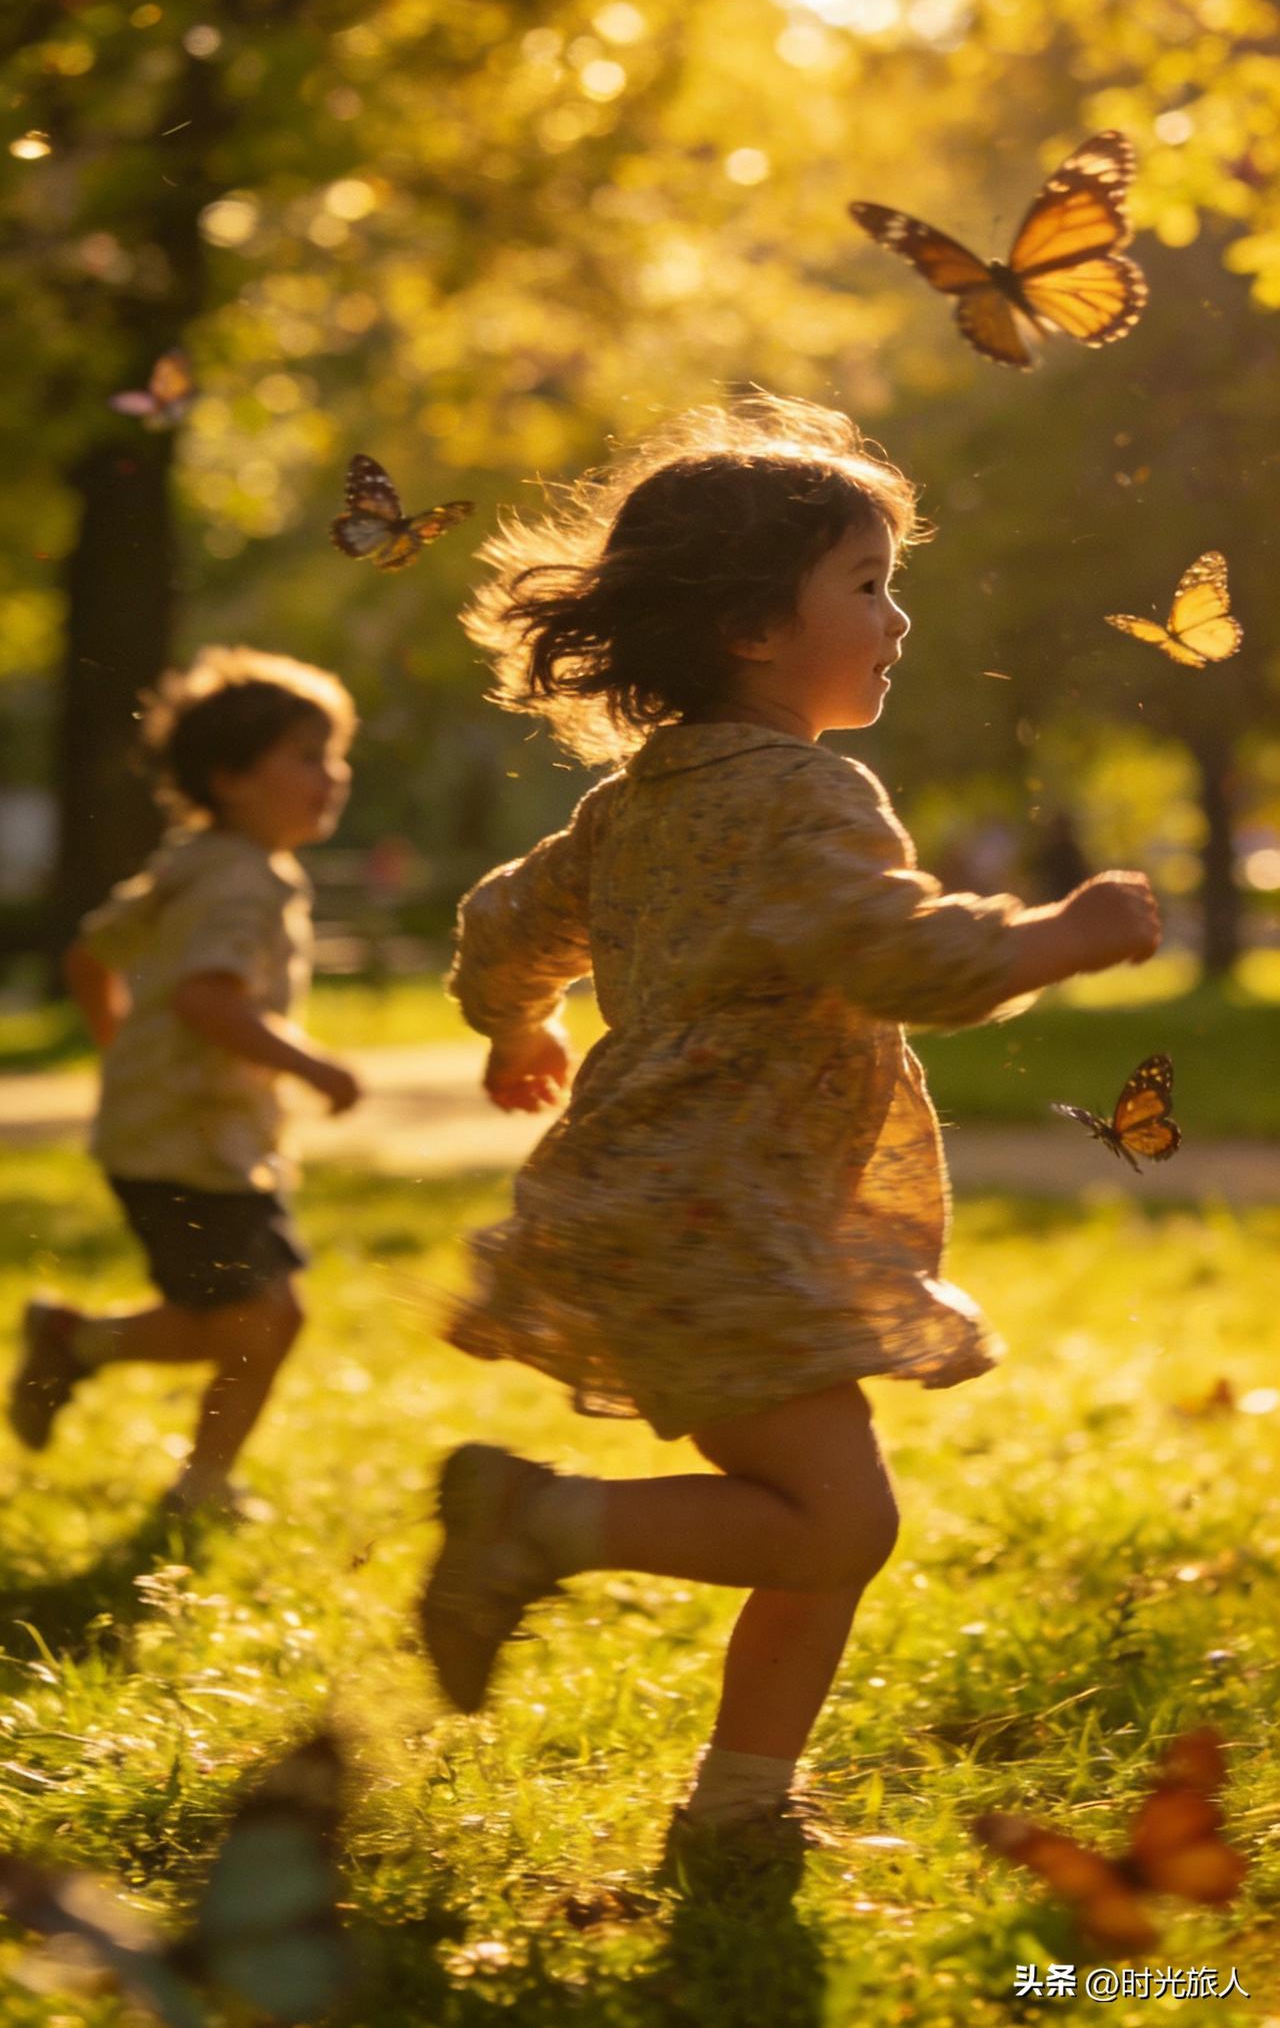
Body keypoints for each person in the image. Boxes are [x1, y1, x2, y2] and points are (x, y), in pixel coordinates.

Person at [417, 394, 1161, 1862]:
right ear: (757, 627)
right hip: (719, 1213)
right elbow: (895, 950)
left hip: (672, 1206)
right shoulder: (805, 792)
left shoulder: (636, 804)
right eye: (868, 585)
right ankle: (532, 1525)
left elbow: (506, 924)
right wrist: (1057, 935)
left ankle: (744, 1803)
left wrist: (517, 1021)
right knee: (838, 1520)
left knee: (825, 1506)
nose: (899, 617)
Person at [8, 647, 362, 1516]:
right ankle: (199, 1481)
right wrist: (311, 1064)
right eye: (310, 756)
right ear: (232, 776)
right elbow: (210, 1000)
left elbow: (91, 956)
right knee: (267, 1318)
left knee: (241, 1318)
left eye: (335, 754)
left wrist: (123, 1056)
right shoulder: (244, 881)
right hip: (195, 1146)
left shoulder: (188, 860)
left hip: (169, 1136)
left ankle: (74, 1342)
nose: (335, 775)